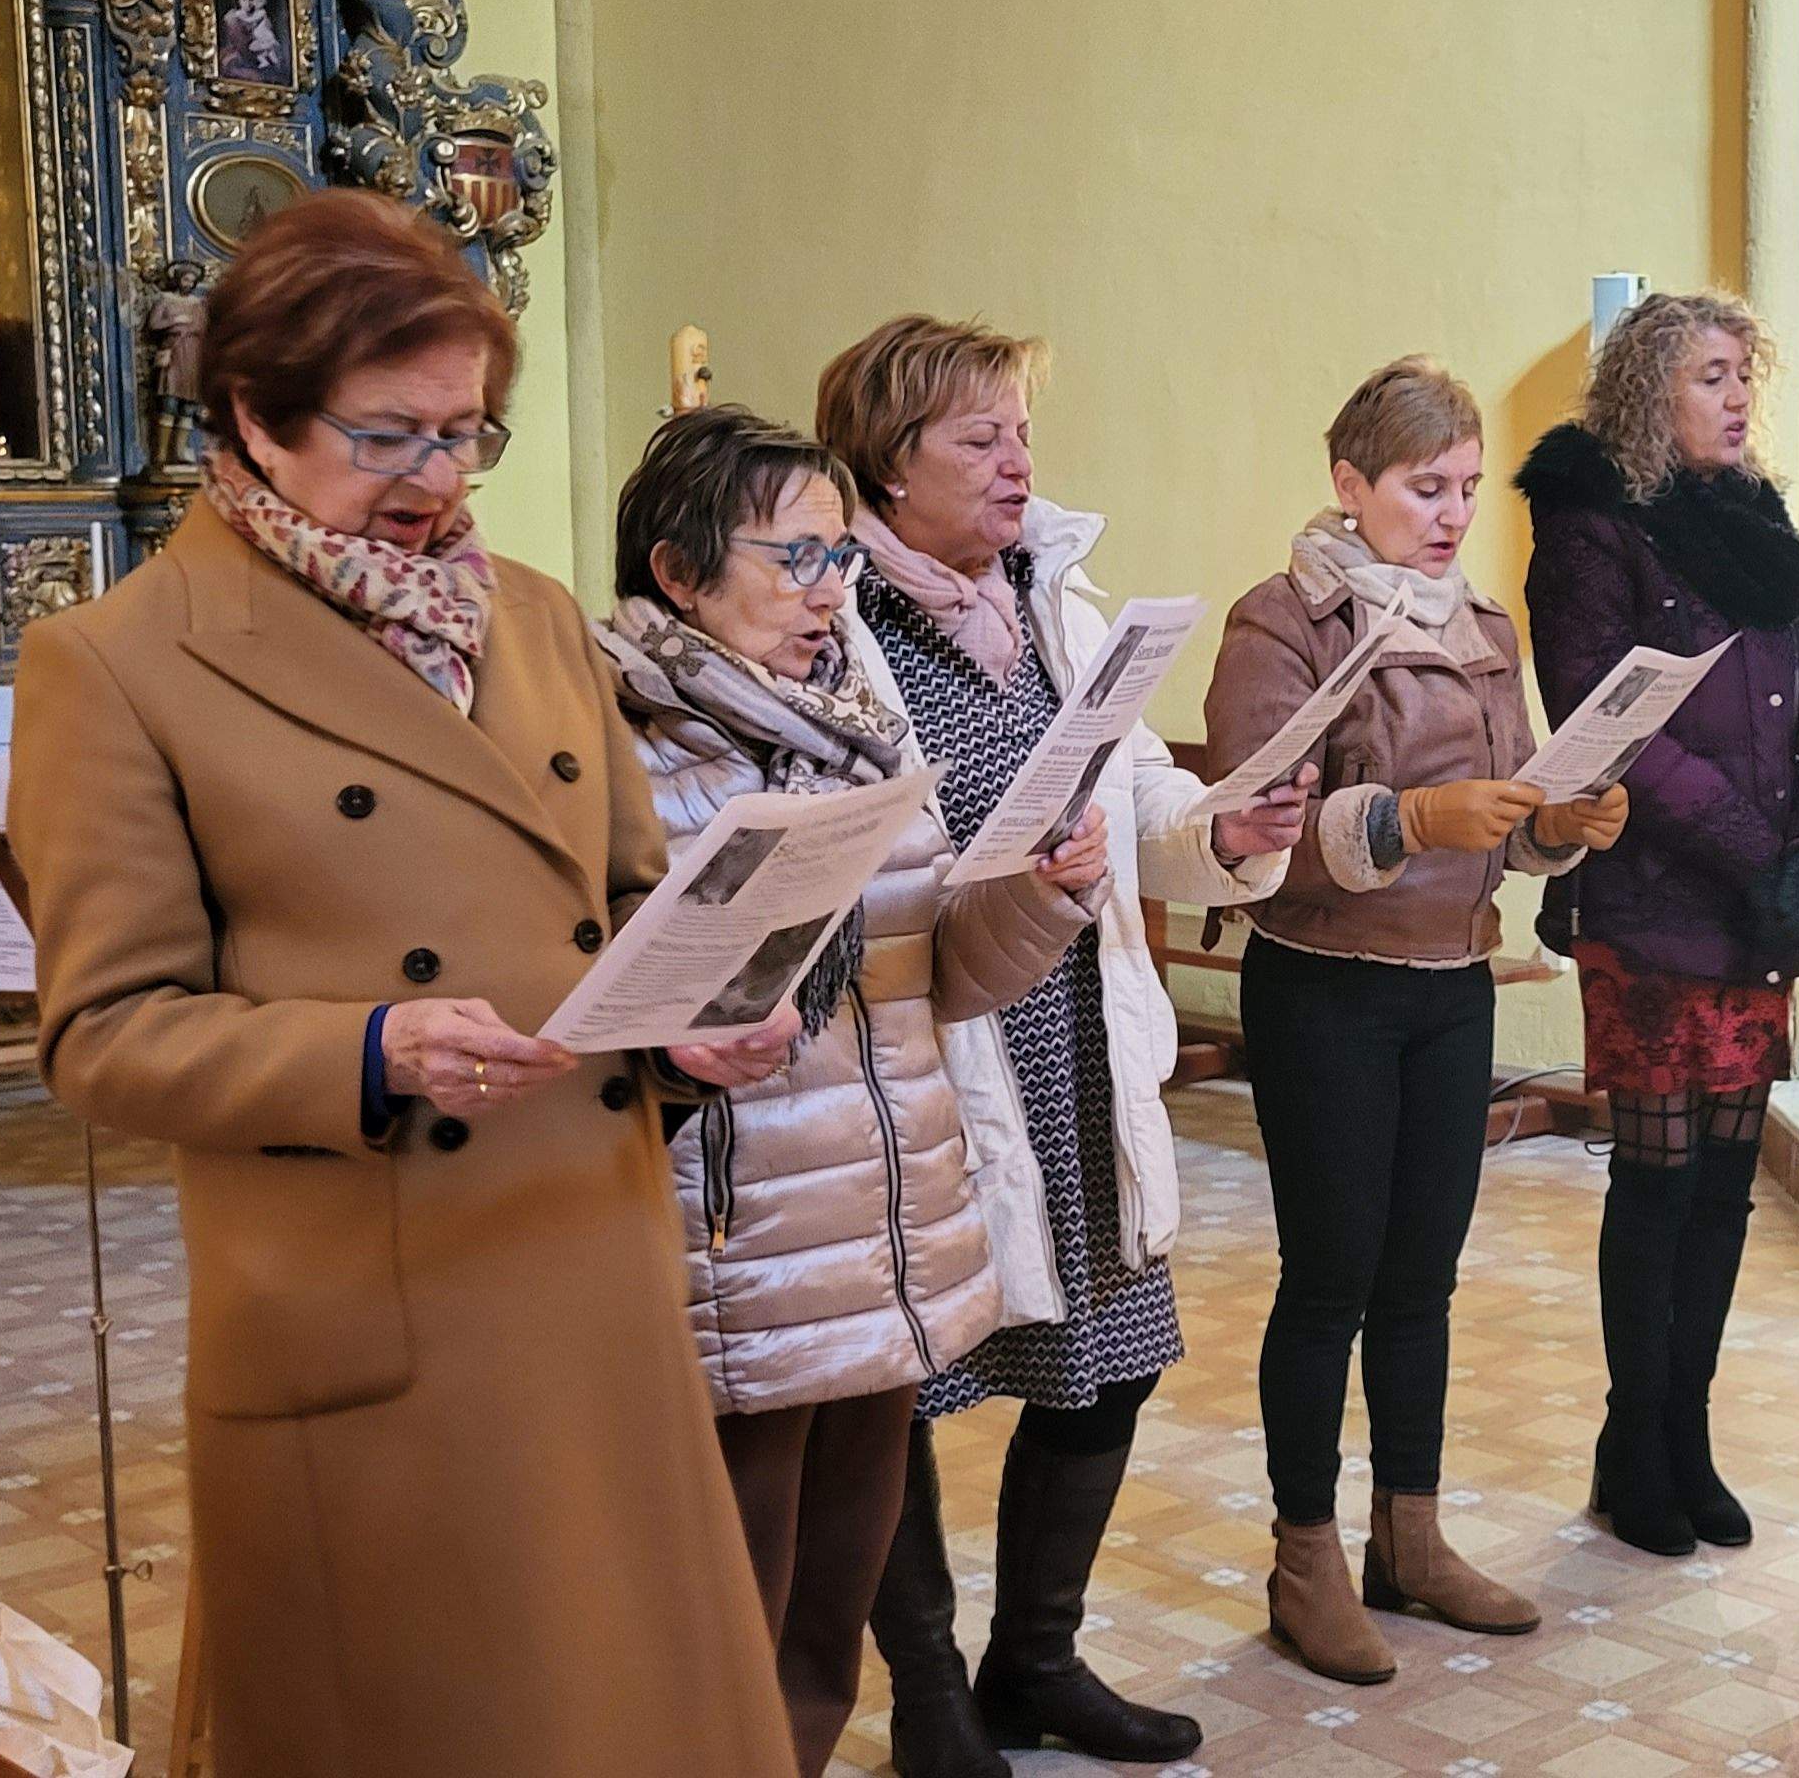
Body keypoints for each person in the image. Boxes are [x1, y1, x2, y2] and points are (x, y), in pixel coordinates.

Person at [10, 189, 802, 1777]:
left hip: (588, 1262)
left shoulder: (537, 619)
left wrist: (694, 1024)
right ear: (255, 415)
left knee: (629, 1717)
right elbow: (103, 1035)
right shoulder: (120, 661)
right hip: (376, 1310)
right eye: (386, 437)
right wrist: (368, 1051)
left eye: (465, 433)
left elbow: (625, 900)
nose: (436, 483)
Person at [818, 316, 1311, 1776]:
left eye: (1021, 431)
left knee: (1110, 1354)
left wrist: (1223, 828)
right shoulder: (836, 623)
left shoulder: (1055, 598)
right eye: (980, 436)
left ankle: (1034, 1661)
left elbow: (1138, 791)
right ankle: (927, 1695)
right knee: (897, 1389)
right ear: (889, 463)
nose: (1017, 461)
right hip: (924, 1049)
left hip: (1074, 1035)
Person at [600, 404, 1114, 1777]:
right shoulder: (623, 750)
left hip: (883, 1241)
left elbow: (930, 978)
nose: (832, 592)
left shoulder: (855, 733)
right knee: (729, 1623)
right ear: (678, 571)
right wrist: (679, 1033)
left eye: (841, 558)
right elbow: (597, 1003)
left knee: (827, 1624)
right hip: (747, 1248)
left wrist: (1039, 897)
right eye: (797, 560)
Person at [1210, 356, 1628, 1682]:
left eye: (1464, 488)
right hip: (1325, 984)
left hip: (1451, 985)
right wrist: (1404, 819)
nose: (1450, 514)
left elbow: (1506, 815)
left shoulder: (1483, 626)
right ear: (1350, 484)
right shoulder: (1283, 621)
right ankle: (1303, 1559)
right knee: (1329, 1279)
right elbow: (1256, 830)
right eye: (1421, 488)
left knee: (1421, 1281)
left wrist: (1560, 825)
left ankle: (1412, 1536)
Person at [1516, 293, 1799, 1558]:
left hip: (1756, 910)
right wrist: (1760, 855)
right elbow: (1609, 722)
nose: (1737, 396)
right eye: (1711, 375)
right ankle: (1634, 1438)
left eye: (1743, 374)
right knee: (1657, 1182)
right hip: (1650, 901)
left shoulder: (1754, 521)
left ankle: (1689, 1434)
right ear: (1650, 391)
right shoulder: (1591, 528)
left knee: (1723, 1185)